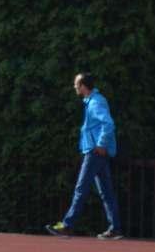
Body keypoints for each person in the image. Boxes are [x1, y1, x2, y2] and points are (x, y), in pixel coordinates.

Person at [47, 72, 122, 239]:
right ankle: (115, 229)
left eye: (76, 84)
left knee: (81, 188)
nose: (74, 86)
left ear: (82, 86)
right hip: (97, 152)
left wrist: (101, 144)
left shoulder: (95, 103)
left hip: (94, 152)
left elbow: (108, 124)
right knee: (106, 192)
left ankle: (67, 226)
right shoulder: (94, 101)